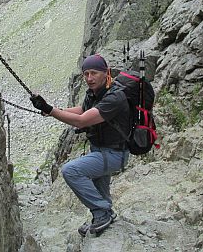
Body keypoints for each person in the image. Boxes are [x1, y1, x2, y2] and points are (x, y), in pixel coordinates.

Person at [30, 54, 131, 236]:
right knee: (100, 187)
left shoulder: (115, 97)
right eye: (86, 74)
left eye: (94, 73)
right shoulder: (95, 92)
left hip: (115, 154)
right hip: (101, 151)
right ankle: (105, 214)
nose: (89, 78)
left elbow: (82, 121)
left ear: (106, 73)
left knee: (71, 171)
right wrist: (50, 109)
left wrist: (51, 111)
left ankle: (101, 213)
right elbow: (83, 110)